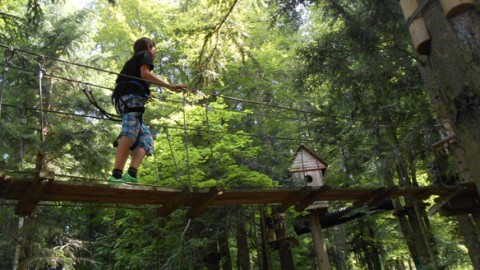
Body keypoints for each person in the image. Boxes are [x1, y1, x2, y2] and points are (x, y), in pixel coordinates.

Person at [108, 37, 187, 183]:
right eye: (154, 49)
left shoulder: (131, 62)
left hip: (127, 99)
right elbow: (145, 74)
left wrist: (144, 93)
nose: (155, 53)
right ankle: (116, 175)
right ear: (149, 47)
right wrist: (169, 86)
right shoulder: (145, 54)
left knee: (146, 140)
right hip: (130, 99)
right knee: (130, 132)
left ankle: (131, 174)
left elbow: (130, 79)